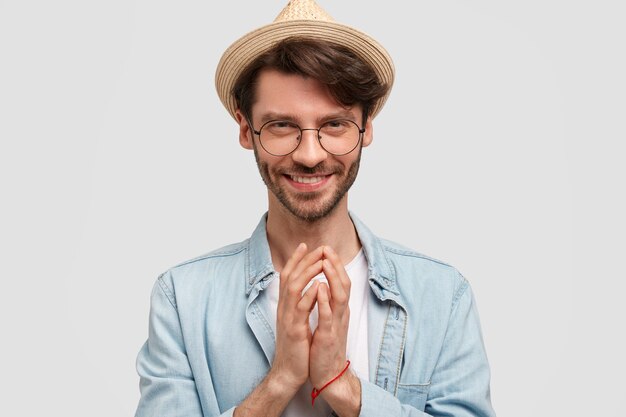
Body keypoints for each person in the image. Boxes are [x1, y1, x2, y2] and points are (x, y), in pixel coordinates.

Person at [134, 1, 496, 416]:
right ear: (245, 130)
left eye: (334, 124)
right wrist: (280, 381)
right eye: (282, 125)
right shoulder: (183, 299)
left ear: (367, 127)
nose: (309, 154)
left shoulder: (441, 295)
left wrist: (345, 388)